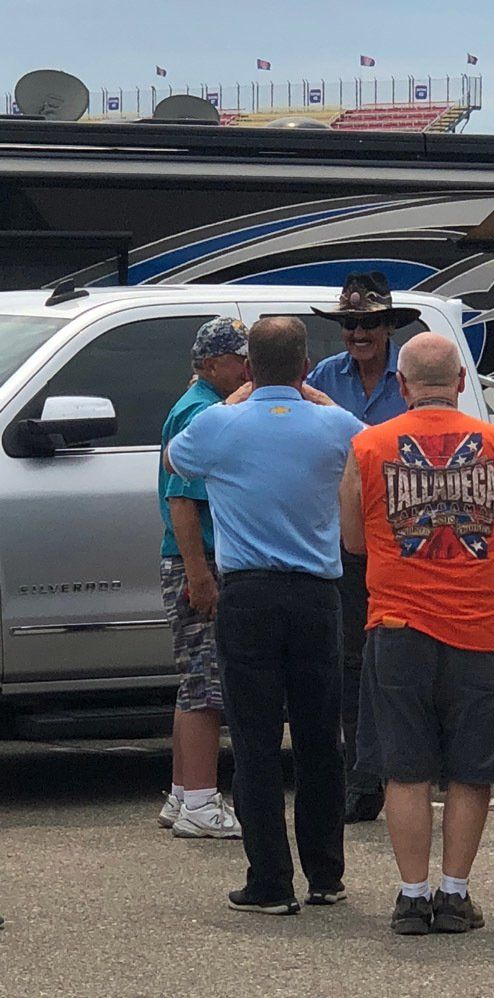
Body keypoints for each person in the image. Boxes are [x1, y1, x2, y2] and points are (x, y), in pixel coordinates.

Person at [340, 331, 494, 935]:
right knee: (471, 769)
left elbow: (351, 540)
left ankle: (411, 896)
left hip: (398, 629)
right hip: (484, 627)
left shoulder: (368, 445)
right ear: (460, 382)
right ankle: (454, 895)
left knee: (405, 768)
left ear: (402, 386)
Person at [164, 316, 363, 915]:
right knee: (319, 738)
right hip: (315, 594)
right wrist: (319, 398)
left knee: (253, 739)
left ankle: (269, 881)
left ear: (249, 366)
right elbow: (373, 449)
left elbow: (178, 458)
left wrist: (237, 400)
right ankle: (326, 874)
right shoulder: (333, 423)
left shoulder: (219, 424)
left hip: (247, 592)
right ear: (306, 366)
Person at [308, 271, 420, 824]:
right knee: (352, 660)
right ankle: (360, 778)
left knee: (409, 658)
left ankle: (411, 767)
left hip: (409, 539)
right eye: (350, 323)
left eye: (369, 322)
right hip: (349, 539)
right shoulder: (324, 377)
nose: (358, 332)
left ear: (387, 326)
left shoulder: (415, 378)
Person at [157, 316, 250, 839]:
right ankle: (200, 801)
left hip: (196, 561)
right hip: (200, 561)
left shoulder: (197, 407)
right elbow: (182, 500)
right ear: (211, 363)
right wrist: (199, 573)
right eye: (240, 358)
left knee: (194, 678)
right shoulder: (200, 413)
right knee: (208, 686)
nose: (247, 368)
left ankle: (180, 792)